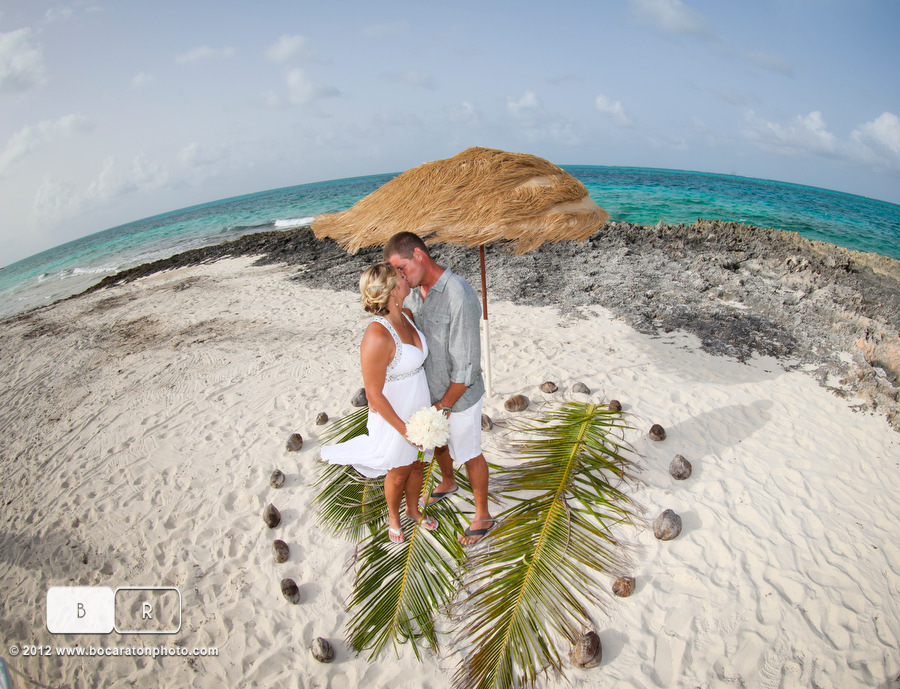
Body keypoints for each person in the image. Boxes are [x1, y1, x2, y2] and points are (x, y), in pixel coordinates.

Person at [384, 232, 495, 546]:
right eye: (396, 272)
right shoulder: (412, 294)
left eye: (402, 268)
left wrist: (444, 404)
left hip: (458, 397)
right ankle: (448, 482)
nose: (400, 276)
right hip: (428, 394)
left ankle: (483, 515)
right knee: (440, 444)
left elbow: (467, 367)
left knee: (470, 453)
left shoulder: (458, 294)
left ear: (419, 255)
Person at [320, 262, 438, 543]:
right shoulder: (377, 334)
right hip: (395, 412)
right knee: (398, 471)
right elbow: (373, 394)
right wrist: (405, 431)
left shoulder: (407, 315)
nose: (406, 276)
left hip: (419, 404)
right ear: (393, 289)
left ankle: (412, 509)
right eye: (400, 275)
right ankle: (394, 518)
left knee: (418, 464)